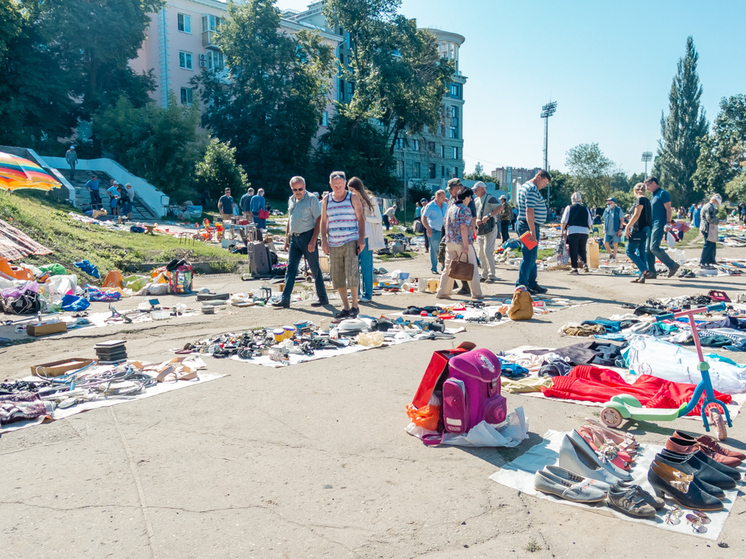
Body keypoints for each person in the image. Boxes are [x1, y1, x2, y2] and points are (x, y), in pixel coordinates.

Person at [272, 176, 328, 309]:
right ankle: (285, 299)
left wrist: (314, 240)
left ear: (305, 186)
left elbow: (318, 219)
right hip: (294, 239)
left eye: (300, 189)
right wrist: (287, 239)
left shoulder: (311, 199)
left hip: (308, 236)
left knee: (315, 269)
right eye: (295, 189)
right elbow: (289, 219)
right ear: (291, 189)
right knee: (290, 269)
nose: (298, 192)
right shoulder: (291, 199)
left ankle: (323, 298)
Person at [321, 171, 366, 320]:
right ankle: (345, 306)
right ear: (330, 185)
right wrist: (324, 240)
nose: (338, 189)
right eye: (335, 186)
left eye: (340, 186)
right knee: (337, 275)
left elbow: (360, 219)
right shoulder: (327, 200)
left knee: (351, 272)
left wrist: (361, 239)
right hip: (334, 242)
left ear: (345, 184)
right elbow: (323, 221)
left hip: (350, 240)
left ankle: (355, 305)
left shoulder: (352, 197)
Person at [436, 188, 483, 300]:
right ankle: (477, 293)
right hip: (461, 242)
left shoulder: (451, 208)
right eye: (470, 197)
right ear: (466, 197)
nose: (470, 199)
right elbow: (463, 228)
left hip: (450, 242)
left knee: (448, 268)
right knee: (472, 267)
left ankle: (442, 292)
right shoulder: (465, 210)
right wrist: (466, 246)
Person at [348, 177, 385, 302]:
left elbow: (379, 219)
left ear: (358, 188)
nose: (350, 192)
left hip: (366, 237)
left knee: (366, 266)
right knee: (353, 267)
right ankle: (355, 293)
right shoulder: (350, 199)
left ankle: (367, 294)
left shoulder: (371, 200)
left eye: (352, 189)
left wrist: (365, 218)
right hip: (353, 236)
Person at [516, 170, 550, 294]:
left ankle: (531, 283)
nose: (544, 186)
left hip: (526, 225)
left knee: (532, 257)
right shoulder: (532, 189)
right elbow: (529, 210)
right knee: (529, 257)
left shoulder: (525, 186)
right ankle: (522, 285)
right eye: (544, 182)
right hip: (528, 226)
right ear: (539, 177)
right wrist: (532, 231)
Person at [644, 176, 680, 278]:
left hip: (659, 224)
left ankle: (672, 265)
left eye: (648, 185)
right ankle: (651, 272)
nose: (647, 188)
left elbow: (668, 209)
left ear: (654, 183)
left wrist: (668, 223)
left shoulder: (663, 193)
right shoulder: (653, 195)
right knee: (647, 249)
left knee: (654, 247)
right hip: (651, 225)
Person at [473, 181, 503, 282]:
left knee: (488, 251)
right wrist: (477, 219)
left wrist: (489, 215)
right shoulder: (477, 200)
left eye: (476, 189)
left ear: (483, 189)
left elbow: (500, 207)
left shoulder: (490, 198)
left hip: (490, 228)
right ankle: (484, 273)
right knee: (480, 252)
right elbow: (476, 213)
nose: (475, 191)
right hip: (480, 229)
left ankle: (491, 275)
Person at [625, 182, 653, 283]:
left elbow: (636, 215)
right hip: (646, 229)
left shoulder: (640, 200)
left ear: (635, 191)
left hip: (639, 229)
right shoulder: (648, 201)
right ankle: (642, 276)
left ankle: (645, 271)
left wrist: (628, 227)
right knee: (641, 252)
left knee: (630, 251)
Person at [560, 192, 593, 274]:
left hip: (573, 230)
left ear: (572, 200)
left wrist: (562, 231)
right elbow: (590, 222)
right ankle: (585, 264)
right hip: (584, 231)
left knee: (573, 249)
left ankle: (574, 268)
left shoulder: (569, 208)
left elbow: (564, 221)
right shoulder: (585, 209)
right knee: (582, 248)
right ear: (580, 200)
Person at [421, 190, 447, 274]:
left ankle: (444, 266)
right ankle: (434, 268)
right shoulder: (430, 206)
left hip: (445, 230)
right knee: (434, 249)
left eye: (444, 197)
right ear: (437, 197)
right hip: (434, 230)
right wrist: (427, 228)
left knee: (444, 249)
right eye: (442, 197)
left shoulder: (446, 205)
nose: (444, 199)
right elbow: (424, 218)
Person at [700, 194, 722, 268]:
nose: (718, 204)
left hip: (708, 227)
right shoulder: (709, 207)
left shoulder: (710, 206)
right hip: (707, 228)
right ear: (715, 201)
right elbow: (709, 219)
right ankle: (703, 261)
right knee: (708, 244)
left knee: (712, 244)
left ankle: (711, 260)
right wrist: (718, 221)